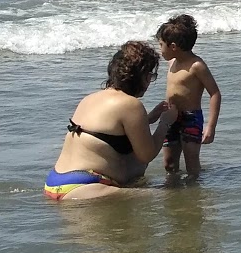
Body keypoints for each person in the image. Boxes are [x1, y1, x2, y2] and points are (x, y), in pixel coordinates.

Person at [44, 40, 178, 202]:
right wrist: (165, 122)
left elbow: (108, 134)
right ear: (141, 77)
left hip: (55, 183)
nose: (150, 81)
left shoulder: (90, 98)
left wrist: (149, 119)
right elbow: (146, 155)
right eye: (150, 75)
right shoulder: (131, 104)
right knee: (173, 196)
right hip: (84, 187)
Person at [154, 14, 222, 177]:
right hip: (170, 117)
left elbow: (215, 93)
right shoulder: (172, 62)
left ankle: (194, 195)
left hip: (191, 118)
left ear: (173, 47)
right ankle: (173, 193)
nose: (159, 49)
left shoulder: (197, 66)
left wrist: (211, 127)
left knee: (191, 163)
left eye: (161, 45)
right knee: (169, 164)